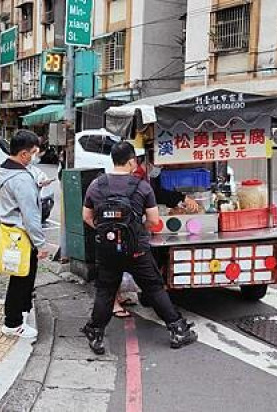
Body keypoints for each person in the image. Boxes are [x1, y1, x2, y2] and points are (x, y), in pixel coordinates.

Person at [81, 141, 197, 354]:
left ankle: (96, 334)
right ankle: (178, 329)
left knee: (105, 290)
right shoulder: (142, 186)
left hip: (107, 249)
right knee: (153, 287)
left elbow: (87, 217)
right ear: (132, 161)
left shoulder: (96, 185)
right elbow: (153, 220)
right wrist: (135, 230)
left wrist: (108, 233)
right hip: (137, 249)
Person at [0, 130, 49, 338]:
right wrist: (41, 243)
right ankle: (13, 323)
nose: (36, 156)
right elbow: (31, 216)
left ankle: (23, 310)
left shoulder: (6, 169)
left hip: (11, 233)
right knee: (21, 278)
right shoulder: (20, 179)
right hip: (21, 234)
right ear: (25, 154)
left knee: (23, 276)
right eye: (34, 152)